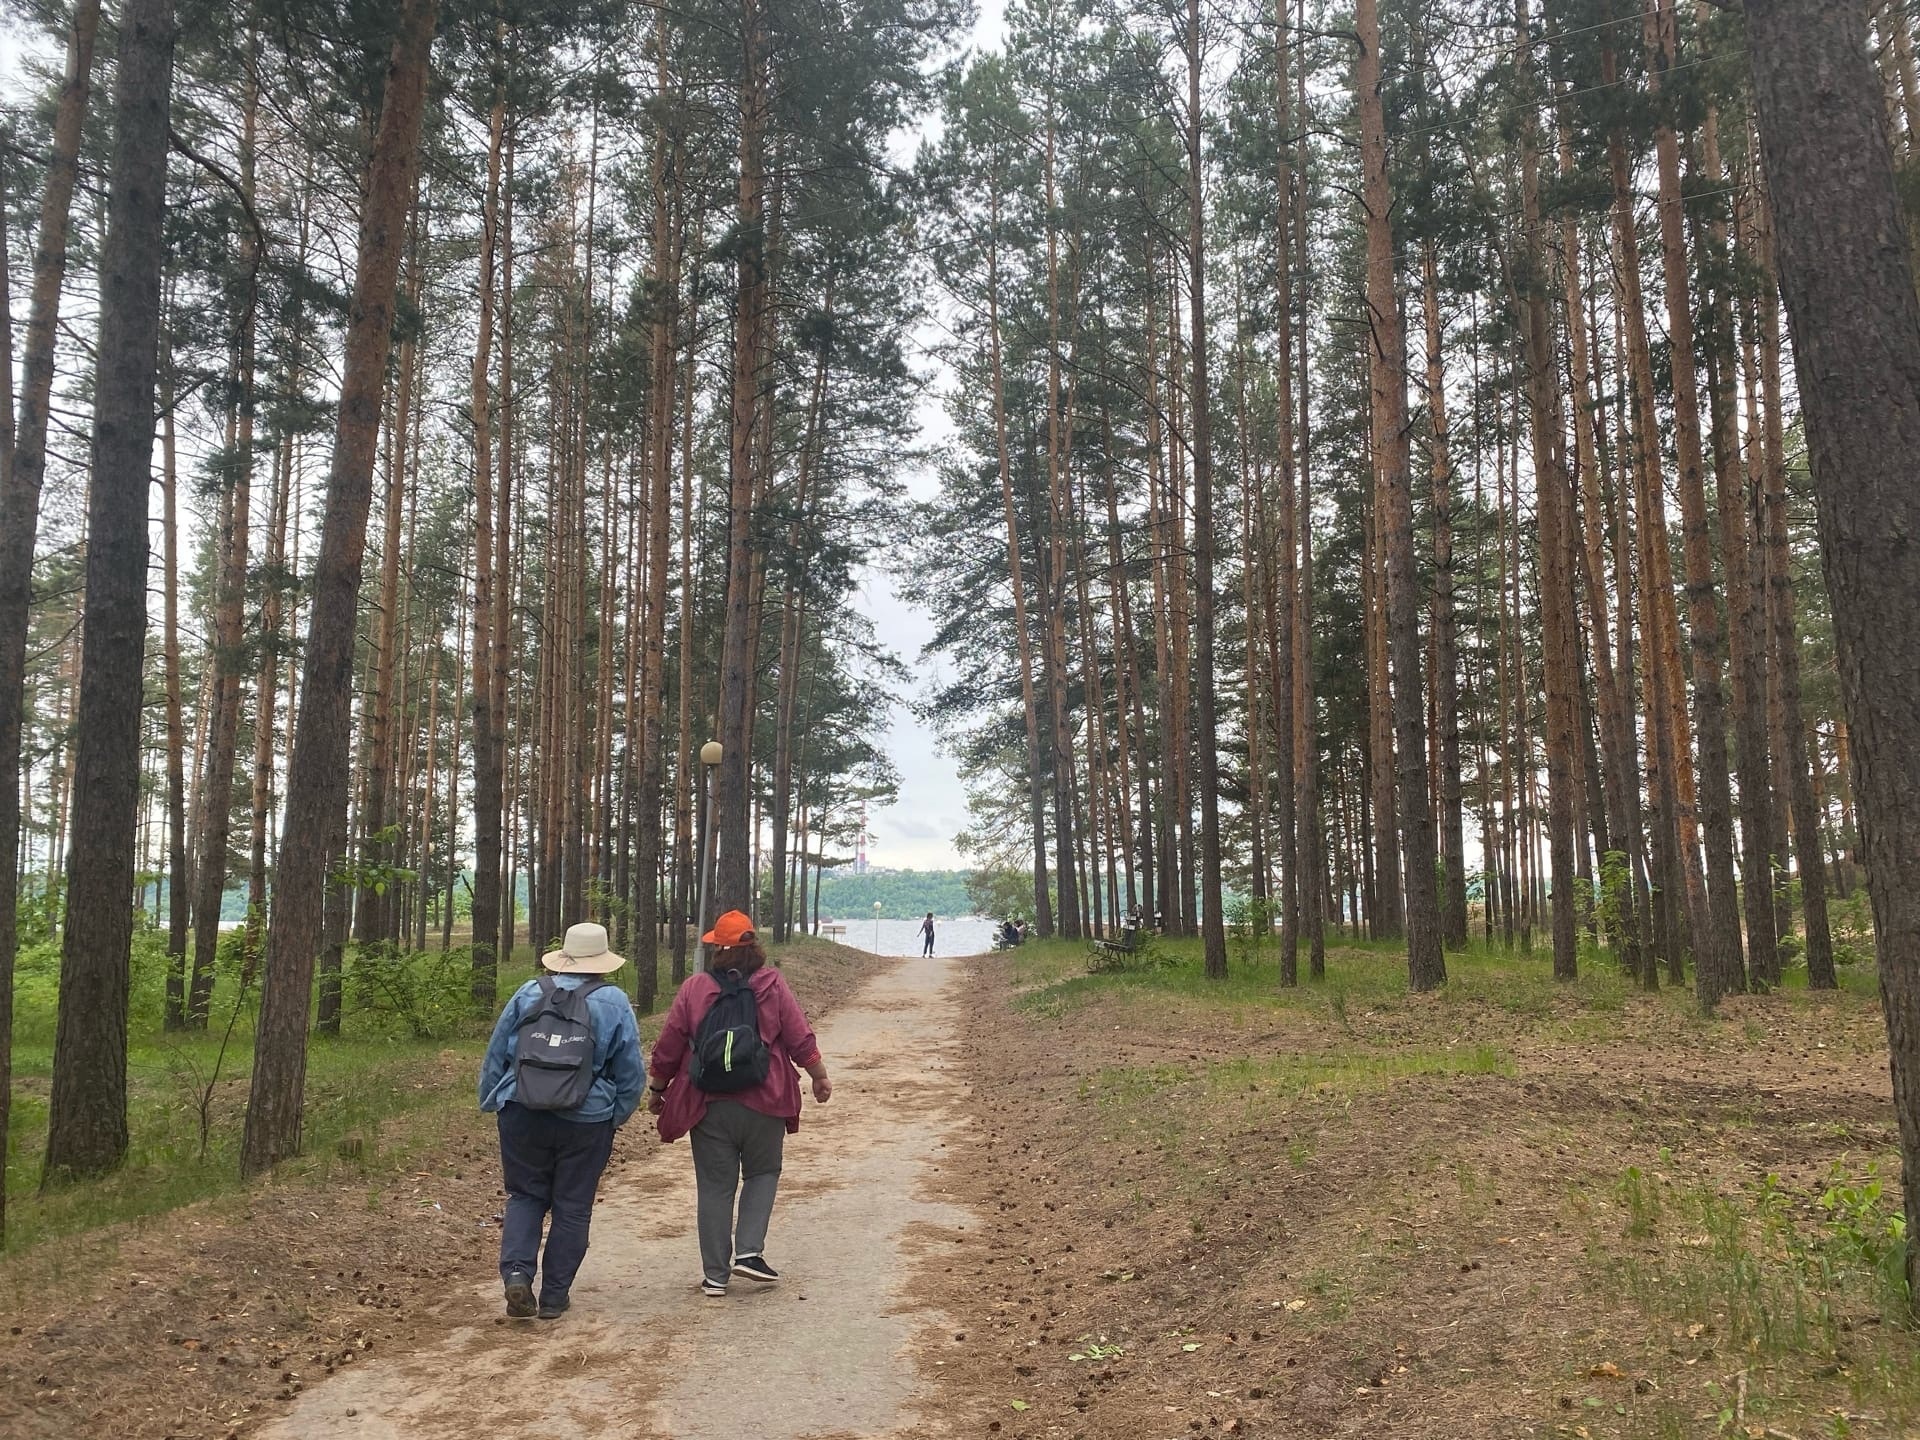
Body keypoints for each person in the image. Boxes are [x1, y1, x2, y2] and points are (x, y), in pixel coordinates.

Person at [648, 910, 833, 1297]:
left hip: (708, 1103)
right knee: (762, 1173)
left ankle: (715, 1275)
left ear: (717, 947)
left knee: (715, 1186)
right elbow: (799, 1036)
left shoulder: (695, 988)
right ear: (754, 946)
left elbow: (670, 1043)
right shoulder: (771, 984)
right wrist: (818, 1075)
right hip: (766, 1098)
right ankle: (749, 1253)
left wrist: (657, 1088)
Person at [479, 920, 644, 1321]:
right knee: (572, 1206)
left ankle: (518, 1274)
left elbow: (498, 1051)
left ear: (564, 957)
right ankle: (554, 1296)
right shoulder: (614, 1001)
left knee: (525, 1195)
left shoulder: (530, 991)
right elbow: (631, 1073)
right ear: (603, 962)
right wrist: (612, 1117)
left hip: (521, 1110)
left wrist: (494, 1099)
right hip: (585, 1120)